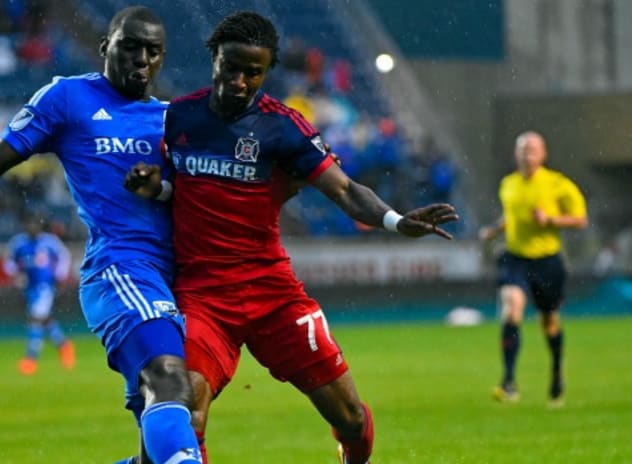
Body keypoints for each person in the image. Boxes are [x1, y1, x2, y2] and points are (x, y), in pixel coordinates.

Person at [125, 11, 459, 464]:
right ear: (213, 59)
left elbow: (344, 189)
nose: (240, 81)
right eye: (231, 68)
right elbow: (175, 188)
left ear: (266, 71)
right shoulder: (179, 117)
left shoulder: (282, 127)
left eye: (253, 72)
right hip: (203, 299)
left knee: (351, 419)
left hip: (273, 296)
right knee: (186, 410)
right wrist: (154, 187)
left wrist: (397, 222)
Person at [0, 6, 201, 464]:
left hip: (180, 280)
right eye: (130, 47)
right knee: (169, 378)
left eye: (153, 52)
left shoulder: (175, 118)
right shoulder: (69, 98)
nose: (142, 60)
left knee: (173, 420)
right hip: (121, 268)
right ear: (104, 48)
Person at [478, 131, 587, 407]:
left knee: (549, 322)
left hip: (547, 261)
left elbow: (580, 219)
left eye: (532, 150)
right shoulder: (508, 184)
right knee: (511, 306)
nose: (527, 155)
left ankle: (557, 369)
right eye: (523, 150)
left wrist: (550, 219)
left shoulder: (557, 184)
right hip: (515, 258)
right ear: (516, 154)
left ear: (543, 154)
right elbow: (512, 216)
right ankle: (509, 381)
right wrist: (494, 230)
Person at [3, 213, 74, 375]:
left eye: (35, 225)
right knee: (45, 319)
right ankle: (64, 345)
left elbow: (64, 256)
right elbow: (9, 262)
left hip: (45, 287)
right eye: (29, 225)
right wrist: (15, 274)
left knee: (35, 319)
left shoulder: (49, 242)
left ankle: (31, 359)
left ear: (40, 227)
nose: (32, 228)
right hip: (30, 287)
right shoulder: (19, 243)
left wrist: (60, 275)